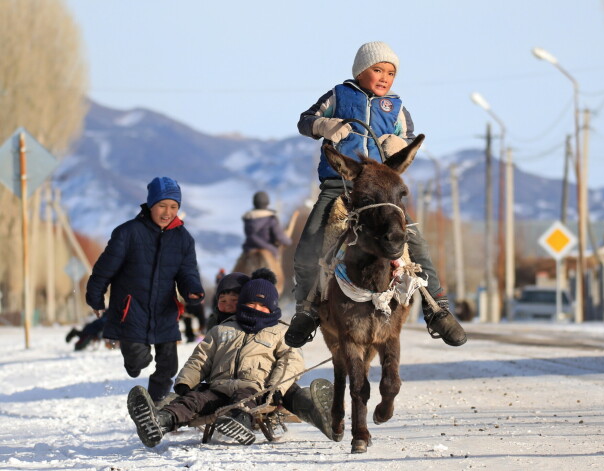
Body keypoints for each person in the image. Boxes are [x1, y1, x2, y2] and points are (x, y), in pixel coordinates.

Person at [286, 41, 467, 349]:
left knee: (417, 243)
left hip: (380, 194)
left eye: (391, 72)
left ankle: (437, 308)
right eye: (378, 70)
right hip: (337, 188)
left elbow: (408, 136)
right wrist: (324, 125)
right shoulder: (338, 95)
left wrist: (397, 144)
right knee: (308, 246)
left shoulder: (396, 108)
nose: (385, 77)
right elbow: (305, 120)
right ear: (360, 71)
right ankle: (307, 309)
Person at [126, 269, 333, 447]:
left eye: (262, 306)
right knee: (193, 400)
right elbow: (200, 358)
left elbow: (291, 361)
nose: (256, 309)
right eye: (251, 304)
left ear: (272, 308)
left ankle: (239, 424)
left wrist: (276, 389)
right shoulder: (222, 328)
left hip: (253, 387)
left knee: (243, 400)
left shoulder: (279, 331)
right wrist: (185, 382)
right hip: (217, 386)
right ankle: (160, 421)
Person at [86, 176, 205, 405]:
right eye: (162, 205)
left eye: (173, 206)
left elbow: (187, 271)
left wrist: (193, 289)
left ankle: (155, 404)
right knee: (138, 361)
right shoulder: (127, 233)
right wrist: (96, 298)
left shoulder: (183, 238)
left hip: (164, 311)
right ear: (151, 205)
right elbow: (103, 270)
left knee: (169, 366)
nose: (167, 212)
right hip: (131, 311)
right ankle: (133, 363)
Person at [241, 191, 292, 258]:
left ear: (254, 203)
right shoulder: (271, 219)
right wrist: (288, 241)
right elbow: (280, 237)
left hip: (249, 250)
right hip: (269, 250)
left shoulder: (248, 218)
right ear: (267, 203)